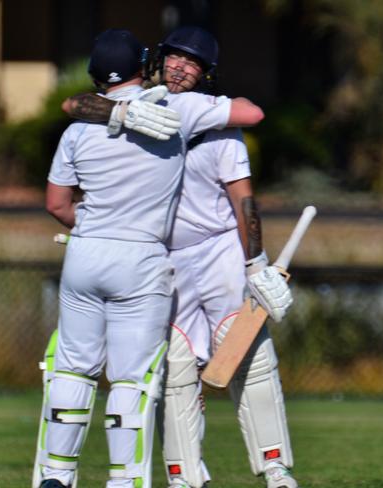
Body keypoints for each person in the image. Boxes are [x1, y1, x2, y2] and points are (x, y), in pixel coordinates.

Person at [58, 26, 299, 488]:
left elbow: (243, 199)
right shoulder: (132, 111)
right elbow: (72, 106)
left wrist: (255, 262)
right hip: (160, 258)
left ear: (206, 75)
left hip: (218, 249)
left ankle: (276, 468)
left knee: (247, 353)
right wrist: (124, 113)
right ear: (157, 60)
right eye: (174, 58)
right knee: (174, 367)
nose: (181, 67)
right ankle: (184, 475)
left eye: (193, 63)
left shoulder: (215, 124)